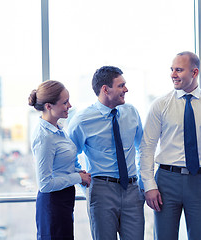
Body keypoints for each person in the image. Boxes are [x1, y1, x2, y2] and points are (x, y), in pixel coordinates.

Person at [140, 51, 201, 240]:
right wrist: (149, 185)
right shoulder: (160, 105)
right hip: (166, 181)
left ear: (195, 72)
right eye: (172, 69)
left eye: (179, 70)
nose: (173, 74)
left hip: (199, 182)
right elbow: (147, 148)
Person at [67, 66, 144, 240]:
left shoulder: (131, 112)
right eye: (121, 85)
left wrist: (142, 181)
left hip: (132, 189)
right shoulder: (82, 120)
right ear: (105, 89)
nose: (126, 89)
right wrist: (85, 184)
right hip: (102, 192)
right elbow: (69, 159)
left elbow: (144, 149)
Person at [29, 80, 91, 240]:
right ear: (48, 106)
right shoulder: (45, 137)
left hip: (63, 200)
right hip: (52, 203)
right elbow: (45, 184)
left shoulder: (58, 129)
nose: (69, 105)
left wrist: (78, 172)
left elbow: (60, 165)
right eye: (65, 102)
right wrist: (78, 177)